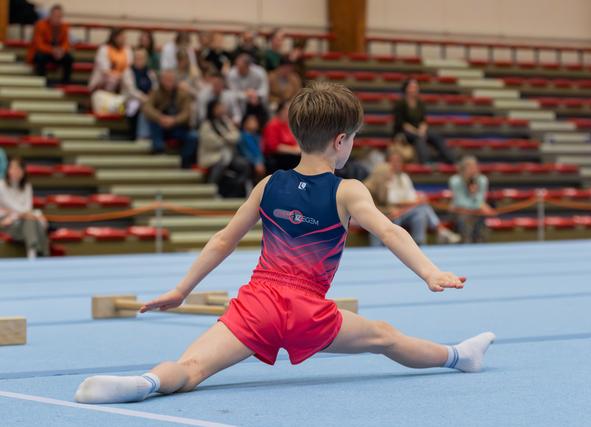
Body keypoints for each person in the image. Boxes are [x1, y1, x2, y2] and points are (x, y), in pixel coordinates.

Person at [74, 81, 494, 405]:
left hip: (257, 303)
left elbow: (223, 241)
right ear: (340, 140)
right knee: (385, 337)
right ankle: (458, 356)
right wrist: (430, 272)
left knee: (191, 367)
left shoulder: (268, 185)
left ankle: (144, 382)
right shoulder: (346, 191)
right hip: (307, 310)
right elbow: (390, 231)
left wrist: (182, 290)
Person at [365, 150, 460, 246]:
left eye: (399, 161)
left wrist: (418, 199)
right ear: (387, 162)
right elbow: (388, 201)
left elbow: (410, 195)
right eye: (393, 161)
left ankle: (419, 243)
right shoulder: (378, 178)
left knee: (421, 212)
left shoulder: (403, 177)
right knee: (420, 208)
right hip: (386, 212)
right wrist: (412, 202)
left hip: (401, 211)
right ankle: (440, 230)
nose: (396, 164)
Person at [142, 69, 197, 169]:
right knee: (152, 122)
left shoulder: (183, 94)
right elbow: (147, 108)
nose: (169, 83)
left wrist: (174, 120)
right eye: (166, 80)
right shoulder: (156, 92)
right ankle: (159, 149)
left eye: (171, 80)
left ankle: (185, 161)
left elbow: (187, 113)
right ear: (161, 80)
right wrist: (160, 117)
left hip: (177, 126)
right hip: (161, 125)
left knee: (193, 136)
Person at [393, 78, 455, 164]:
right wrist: (417, 132)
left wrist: (422, 129)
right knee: (419, 138)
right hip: (405, 131)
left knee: (435, 136)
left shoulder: (420, 103)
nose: (414, 89)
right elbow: (401, 123)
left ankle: (450, 158)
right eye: (411, 87)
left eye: (415, 87)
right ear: (406, 88)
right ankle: (426, 161)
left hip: (418, 130)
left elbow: (423, 120)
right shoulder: (400, 103)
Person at [198, 99, 251, 197]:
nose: (221, 110)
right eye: (218, 108)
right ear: (212, 109)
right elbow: (212, 142)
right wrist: (227, 138)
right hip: (212, 156)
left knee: (244, 165)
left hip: (229, 155)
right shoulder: (206, 124)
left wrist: (224, 137)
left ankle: (236, 189)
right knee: (220, 164)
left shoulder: (226, 121)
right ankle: (211, 189)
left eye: (222, 107)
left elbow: (236, 135)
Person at [0, 158, 49, 259]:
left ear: (23, 171)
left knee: (30, 221)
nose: (15, 171)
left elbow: (27, 208)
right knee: (33, 220)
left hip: (22, 221)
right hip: (6, 223)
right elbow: (11, 206)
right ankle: (42, 255)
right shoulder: (1, 186)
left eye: (18, 169)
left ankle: (32, 252)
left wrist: (19, 214)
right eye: (12, 168)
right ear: (8, 170)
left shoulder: (27, 186)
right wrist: (35, 215)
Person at [448, 156, 495, 243]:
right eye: (470, 168)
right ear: (463, 169)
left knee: (479, 217)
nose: (473, 170)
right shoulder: (455, 180)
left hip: (476, 212)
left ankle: (480, 242)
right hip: (460, 213)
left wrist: (474, 194)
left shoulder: (482, 180)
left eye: (475, 167)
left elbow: (480, 199)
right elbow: (460, 202)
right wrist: (480, 206)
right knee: (464, 217)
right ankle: (466, 242)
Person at [28, 4, 73, 84]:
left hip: (57, 52)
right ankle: (41, 80)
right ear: (50, 15)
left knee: (69, 58)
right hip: (44, 52)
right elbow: (39, 44)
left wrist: (62, 50)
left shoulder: (64, 26)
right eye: (55, 15)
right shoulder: (40, 25)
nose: (57, 18)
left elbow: (66, 43)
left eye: (59, 16)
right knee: (40, 57)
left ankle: (66, 82)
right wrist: (52, 50)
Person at [122, 48, 157, 140]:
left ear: (146, 59)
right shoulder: (128, 72)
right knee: (135, 106)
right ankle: (135, 134)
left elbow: (155, 87)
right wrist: (145, 98)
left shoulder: (150, 73)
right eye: (137, 58)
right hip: (132, 100)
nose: (139, 60)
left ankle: (149, 135)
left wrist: (151, 97)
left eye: (142, 58)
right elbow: (131, 90)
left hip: (148, 100)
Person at [88, 28, 132, 92]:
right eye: (121, 36)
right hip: (104, 80)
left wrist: (122, 76)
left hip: (121, 78)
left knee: (128, 77)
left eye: (124, 36)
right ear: (114, 37)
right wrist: (118, 76)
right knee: (112, 79)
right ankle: (108, 98)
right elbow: (105, 70)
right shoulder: (104, 49)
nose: (123, 38)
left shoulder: (127, 49)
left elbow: (129, 67)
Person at [227, 53, 269, 120]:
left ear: (248, 66)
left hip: (257, 100)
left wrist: (255, 94)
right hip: (241, 103)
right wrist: (246, 95)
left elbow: (264, 90)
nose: (238, 69)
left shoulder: (260, 72)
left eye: (241, 67)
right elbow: (233, 93)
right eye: (237, 66)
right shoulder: (232, 74)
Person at [262, 101, 300, 173]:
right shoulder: (272, 125)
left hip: (288, 156)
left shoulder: (288, 125)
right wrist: (294, 150)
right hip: (276, 157)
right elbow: (273, 147)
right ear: (280, 111)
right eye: (287, 110)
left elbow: (294, 141)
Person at [238, 114, 266, 181]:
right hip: (249, 161)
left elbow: (259, 151)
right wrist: (257, 162)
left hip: (259, 161)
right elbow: (246, 152)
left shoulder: (257, 136)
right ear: (245, 124)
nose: (255, 123)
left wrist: (260, 161)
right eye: (251, 121)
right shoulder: (244, 136)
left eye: (255, 121)